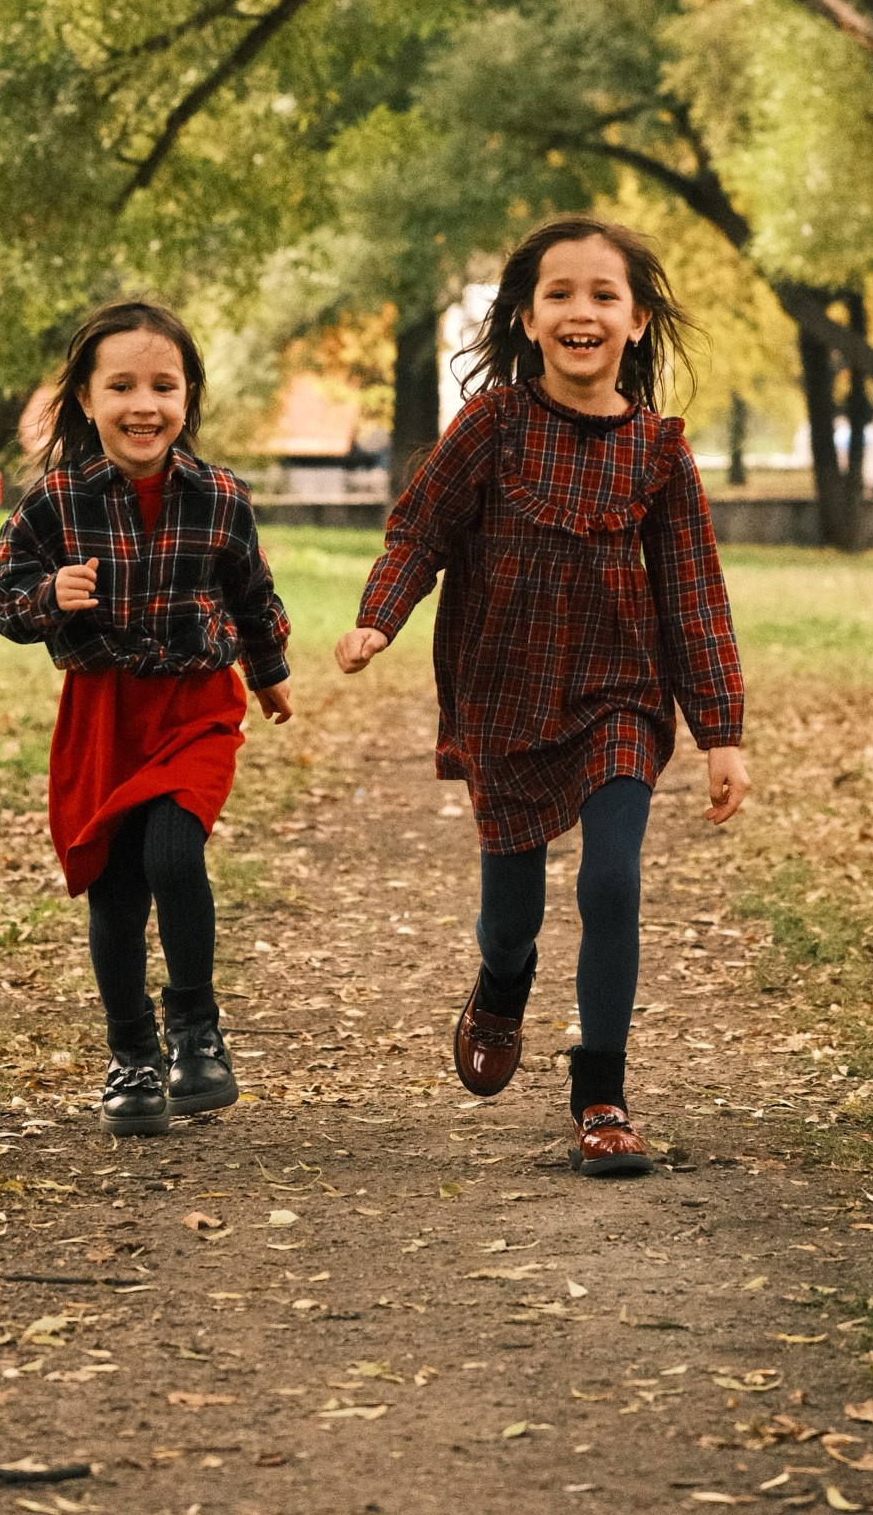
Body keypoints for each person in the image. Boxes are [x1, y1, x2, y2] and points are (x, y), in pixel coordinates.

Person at [335, 216, 748, 1175]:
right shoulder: (492, 428)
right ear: (526, 319)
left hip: (620, 697)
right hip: (507, 696)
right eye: (560, 294)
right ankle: (501, 980)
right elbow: (418, 533)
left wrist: (721, 732)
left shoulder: (658, 452)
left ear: (636, 323)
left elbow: (694, 595)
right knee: (512, 915)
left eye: (604, 296)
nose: (582, 312)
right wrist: (378, 618)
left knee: (612, 884)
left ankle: (600, 1093)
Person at [0, 300, 293, 1137]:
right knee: (115, 893)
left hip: (196, 705)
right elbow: (1, 599)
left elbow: (252, 596)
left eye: (164, 384)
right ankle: (132, 1053)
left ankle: (197, 1029)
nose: (143, 404)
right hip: (104, 713)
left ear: (188, 397)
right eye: (120, 385)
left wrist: (269, 676)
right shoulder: (54, 501)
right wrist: (49, 597)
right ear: (86, 401)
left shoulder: (222, 496)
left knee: (173, 848)